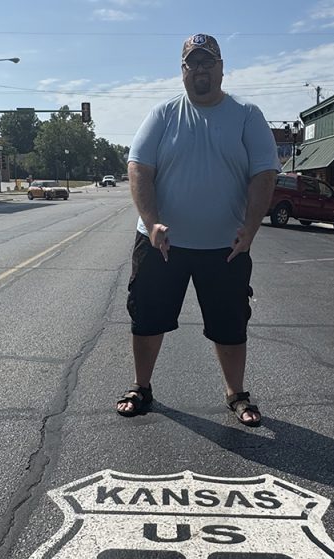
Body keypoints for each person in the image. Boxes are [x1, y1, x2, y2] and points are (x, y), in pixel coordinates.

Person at [116, 33, 279, 427]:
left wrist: (251, 228)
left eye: (208, 62)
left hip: (226, 247)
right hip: (161, 244)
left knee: (230, 323)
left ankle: (236, 393)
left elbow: (264, 173)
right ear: (183, 70)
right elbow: (139, 168)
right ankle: (142, 387)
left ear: (221, 68)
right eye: (193, 63)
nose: (201, 69)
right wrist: (152, 221)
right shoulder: (162, 115)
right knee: (147, 317)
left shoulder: (247, 115)